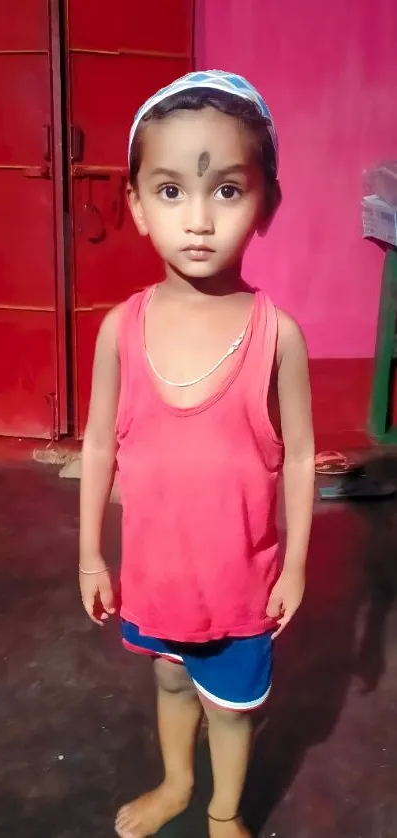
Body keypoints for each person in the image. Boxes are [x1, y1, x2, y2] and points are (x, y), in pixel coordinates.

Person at [79, 70, 315, 838]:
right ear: (138, 207)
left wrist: (297, 564)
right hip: (156, 577)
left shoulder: (277, 337)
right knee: (172, 682)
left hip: (240, 584)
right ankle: (178, 783)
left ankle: (222, 813)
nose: (200, 221)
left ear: (267, 204)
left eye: (227, 190)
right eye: (173, 190)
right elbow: (97, 445)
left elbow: (303, 456)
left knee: (232, 709)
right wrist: (90, 555)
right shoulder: (121, 330)